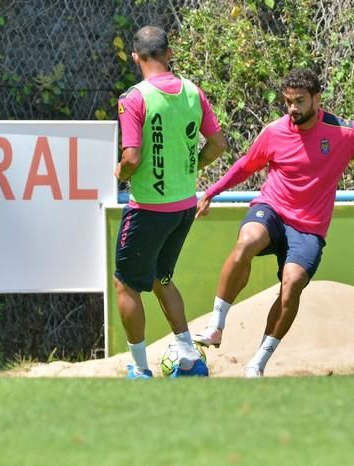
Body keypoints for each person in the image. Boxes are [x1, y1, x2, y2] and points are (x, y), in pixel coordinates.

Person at [192, 68, 354, 377]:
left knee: (291, 286)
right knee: (247, 241)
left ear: (317, 98)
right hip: (271, 208)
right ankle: (216, 326)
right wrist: (211, 192)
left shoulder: (344, 132)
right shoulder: (274, 131)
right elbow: (245, 165)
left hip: (309, 227)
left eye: (300, 101)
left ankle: (257, 362)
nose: (292, 108)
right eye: (288, 101)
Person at [114, 26, 227, 379]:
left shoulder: (134, 98)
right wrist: (190, 166)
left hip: (148, 208)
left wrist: (118, 173)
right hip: (183, 206)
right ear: (169, 52)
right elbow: (218, 144)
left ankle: (139, 367)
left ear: (136, 57)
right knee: (162, 277)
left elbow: (131, 158)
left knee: (126, 283)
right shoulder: (193, 92)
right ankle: (190, 360)